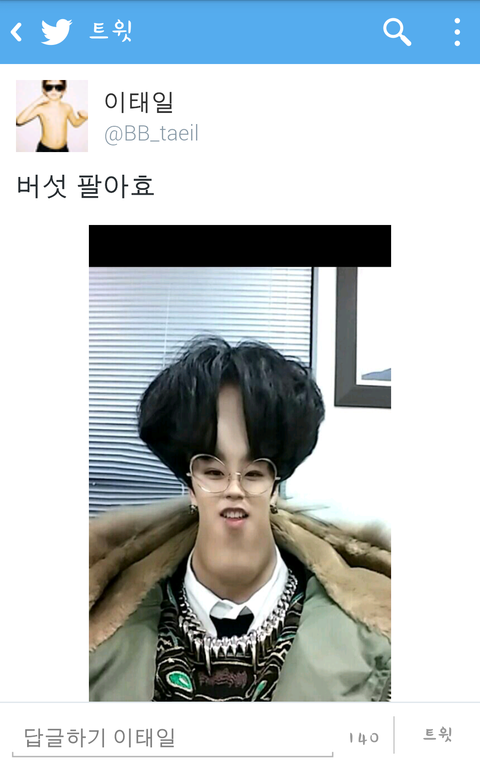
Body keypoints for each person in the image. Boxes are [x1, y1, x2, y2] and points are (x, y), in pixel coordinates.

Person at [89, 336, 391, 701]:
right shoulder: (100, 630)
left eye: (254, 472)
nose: (234, 489)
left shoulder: (375, 634)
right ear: (190, 484)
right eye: (213, 471)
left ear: (276, 483)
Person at [16, 80, 87, 152]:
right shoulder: (41, 108)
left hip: (63, 149)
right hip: (45, 149)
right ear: (44, 90)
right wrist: (36, 102)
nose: (53, 90)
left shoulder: (67, 107)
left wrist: (83, 118)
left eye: (58, 87)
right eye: (49, 87)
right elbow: (19, 121)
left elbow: (75, 123)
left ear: (64, 91)